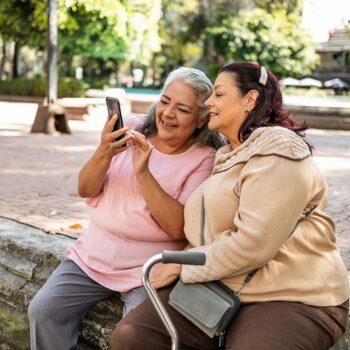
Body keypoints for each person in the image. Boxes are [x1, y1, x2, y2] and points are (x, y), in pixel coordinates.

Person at [110, 62, 350, 350]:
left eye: (219, 94)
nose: (209, 102)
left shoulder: (279, 152)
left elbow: (252, 244)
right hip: (222, 285)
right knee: (132, 338)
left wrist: (183, 267)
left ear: (249, 99)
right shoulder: (228, 153)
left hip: (291, 295)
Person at [28, 67, 223, 350]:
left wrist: (144, 172)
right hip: (92, 256)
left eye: (182, 109)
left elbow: (179, 228)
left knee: (135, 337)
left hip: (146, 269)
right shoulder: (131, 125)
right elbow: (85, 189)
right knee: (43, 310)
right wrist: (104, 151)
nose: (168, 114)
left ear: (202, 118)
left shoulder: (204, 158)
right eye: (165, 101)